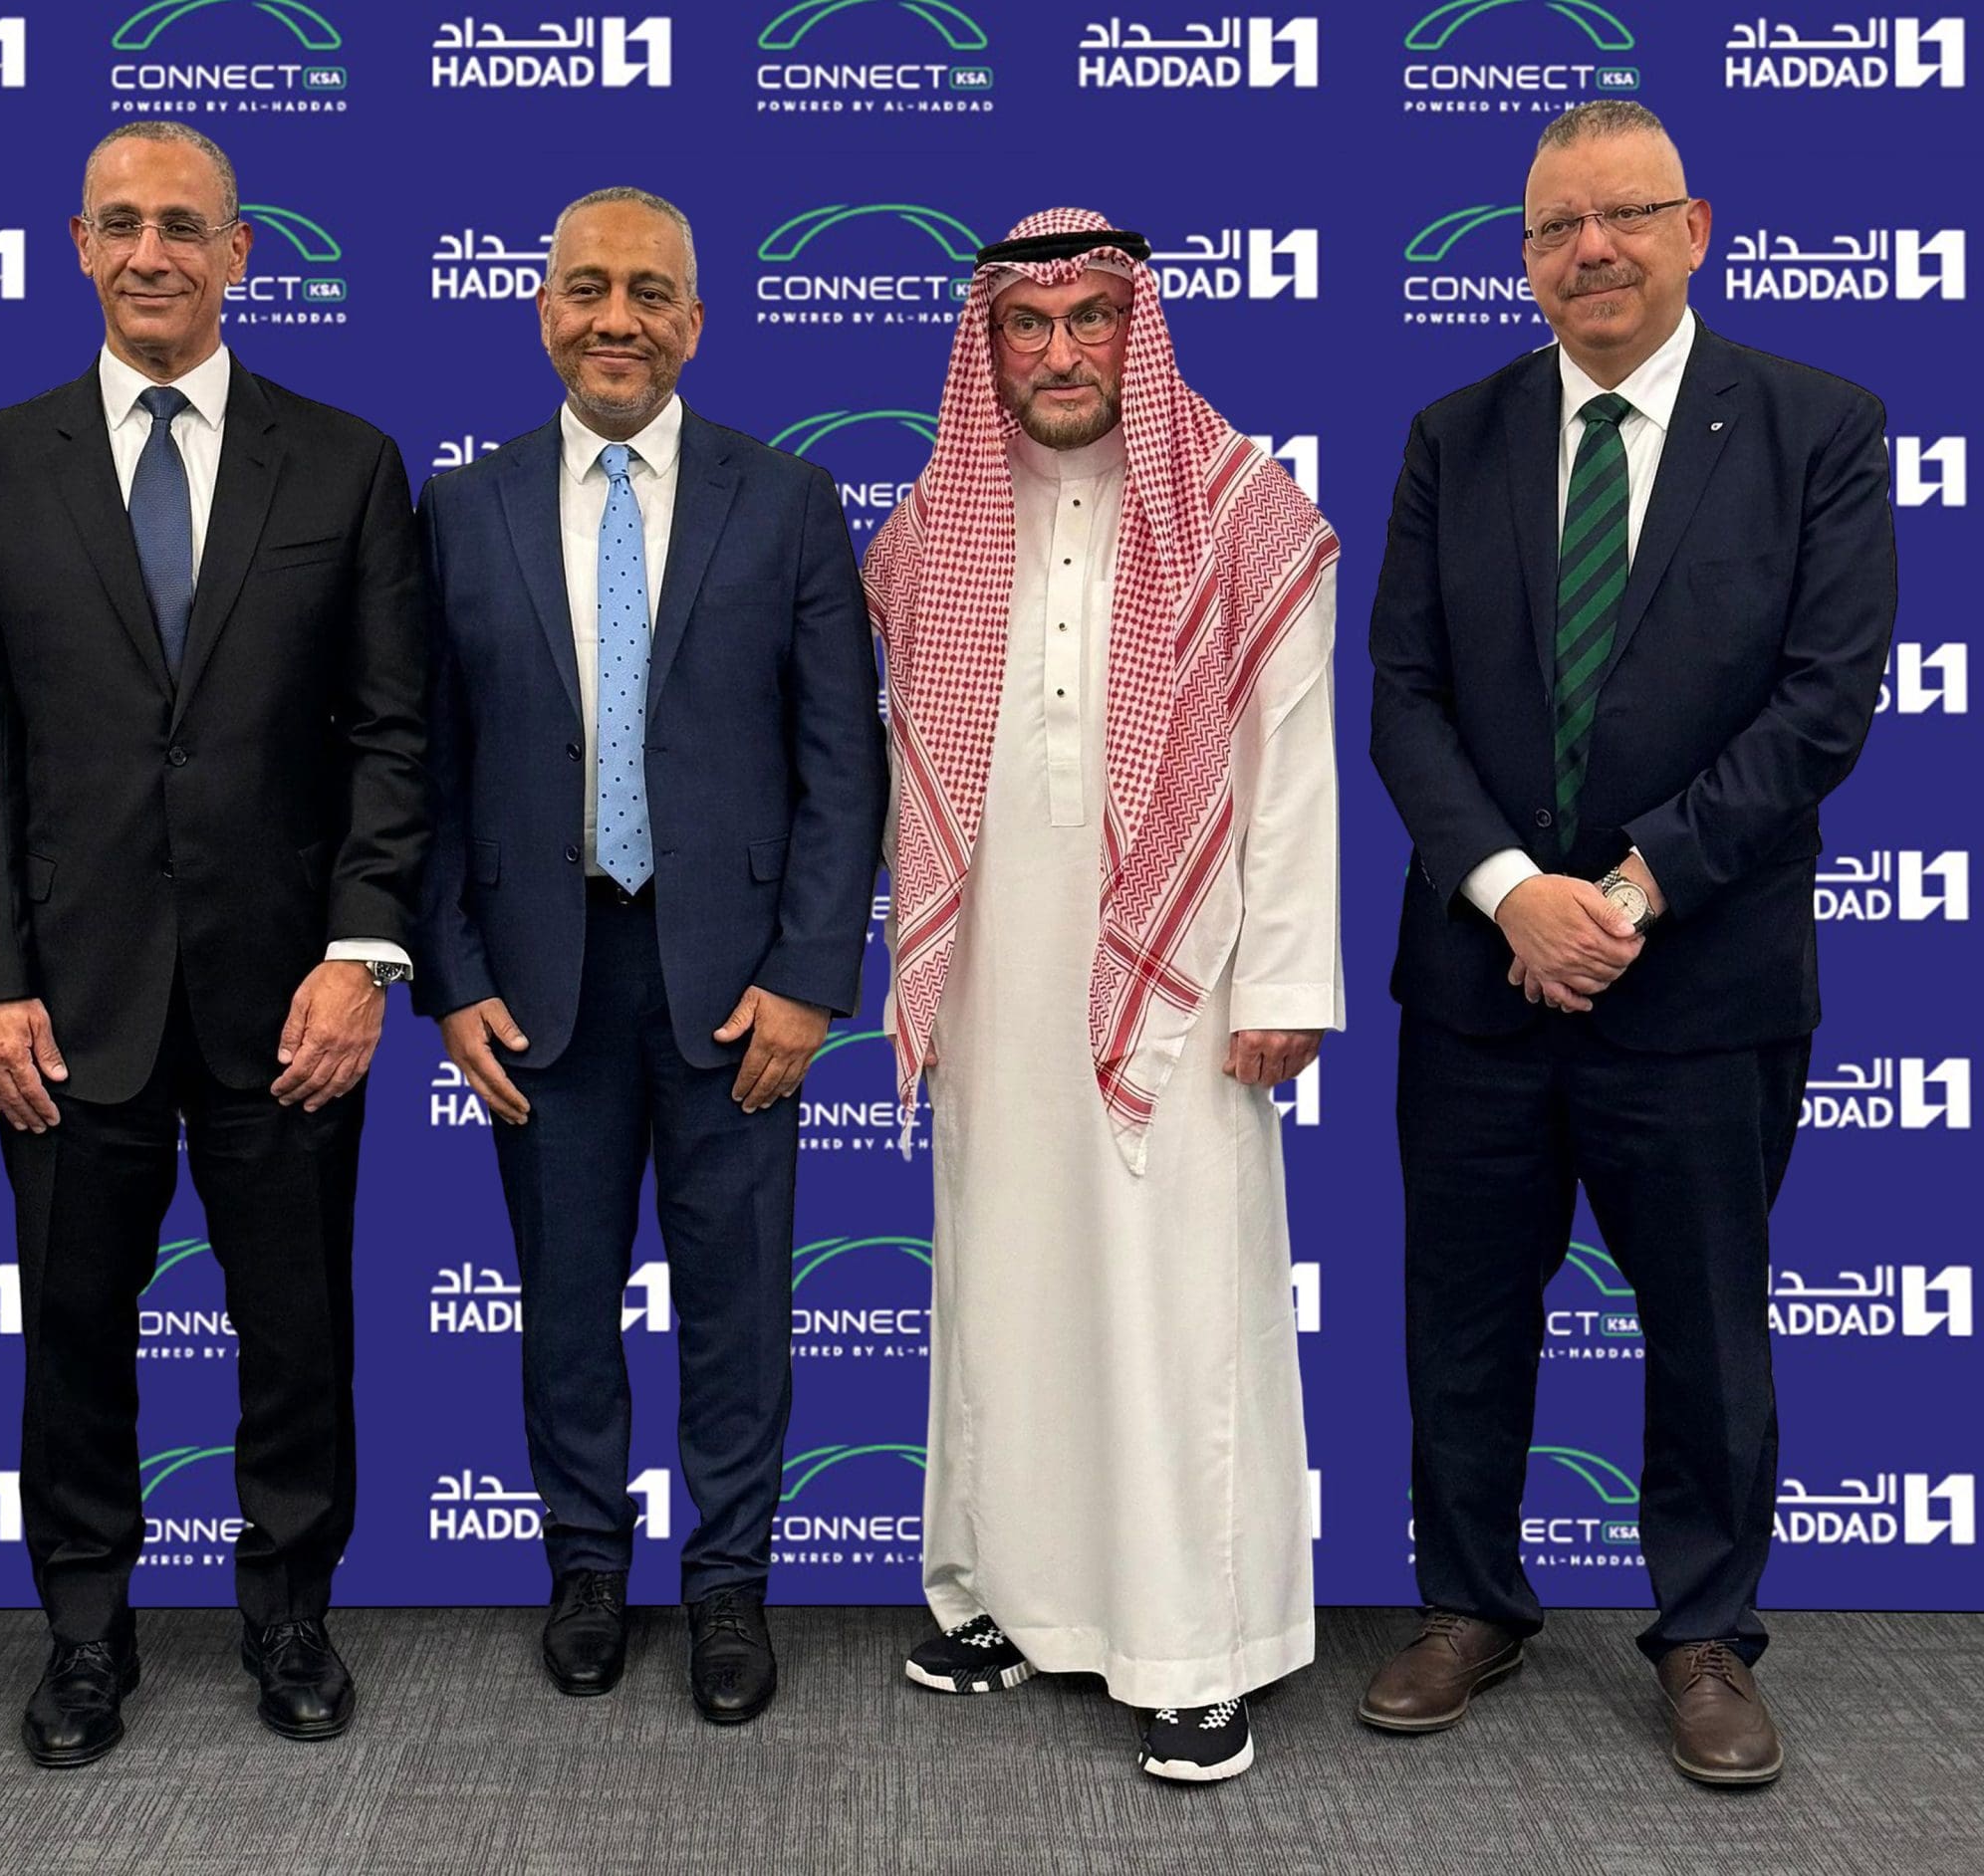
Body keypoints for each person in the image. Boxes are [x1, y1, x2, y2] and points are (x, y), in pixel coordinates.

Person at [1363, 101, 1895, 1787]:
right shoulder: (1454, 435)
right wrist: (1513, 891)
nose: (1590, 250)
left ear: (1695, 229)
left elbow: (1823, 704)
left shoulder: (1817, 426)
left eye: (1625, 216)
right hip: (1480, 980)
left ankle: (1707, 1636)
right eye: (1555, 227)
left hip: (1704, 983)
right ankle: (1468, 1604)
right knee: (1461, 1321)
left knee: (1708, 1329)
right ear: (1525, 258)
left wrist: (1631, 895)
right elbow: (1404, 697)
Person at [0, 121, 429, 1765]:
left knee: (299, 1330)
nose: (154, 254)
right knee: (72, 1334)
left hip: (292, 1000)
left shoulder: (346, 462)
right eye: (123, 225)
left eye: (186, 227)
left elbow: (393, 736)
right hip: (67, 1005)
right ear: (78, 245)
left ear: (240, 252)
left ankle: (290, 1609)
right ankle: (85, 1633)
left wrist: (362, 952)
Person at [863, 207, 1342, 1784]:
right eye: (1027, 323)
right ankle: (1008, 1599)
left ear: (1140, 328)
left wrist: (1284, 973)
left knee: (1174, 1299)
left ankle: (1195, 1649)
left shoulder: (1244, 513)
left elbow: (1292, 768)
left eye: (1089, 319)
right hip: (994, 973)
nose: (1058, 352)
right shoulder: (932, 526)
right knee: (1004, 1291)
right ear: (987, 344)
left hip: (1185, 977)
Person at [414, 186, 886, 1726]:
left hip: (736, 986)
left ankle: (730, 1581)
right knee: (563, 1301)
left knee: (740, 1304)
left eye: (649, 293)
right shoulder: (462, 509)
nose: (616, 319)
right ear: (542, 308)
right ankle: (586, 1568)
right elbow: (422, 767)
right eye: (587, 288)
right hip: (537, 984)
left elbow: (844, 765)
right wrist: (451, 975)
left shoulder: (789, 499)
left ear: (697, 320)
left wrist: (811, 975)